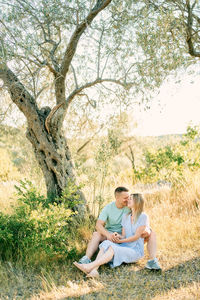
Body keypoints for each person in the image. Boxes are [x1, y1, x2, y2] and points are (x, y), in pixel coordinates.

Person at [74, 193, 158, 277]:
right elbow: (124, 235)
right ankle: (94, 270)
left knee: (113, 248)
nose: (128, 200)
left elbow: (136, 237)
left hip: (135, 250)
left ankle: (90, 266)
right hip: (125, 245)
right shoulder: (126, 216)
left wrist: (121, 241)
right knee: (107, 243)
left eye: (131, 199)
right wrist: (117, 236)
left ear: (137, 201)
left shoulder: (143, 216)